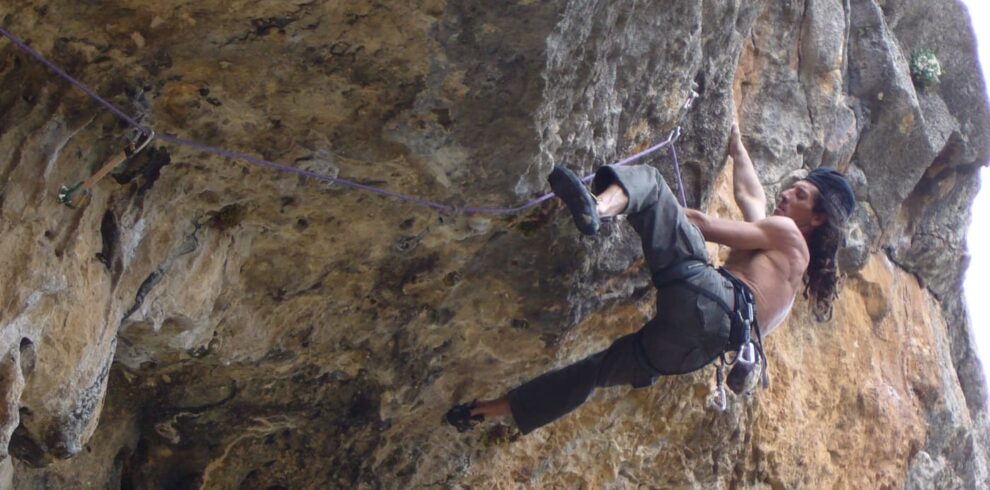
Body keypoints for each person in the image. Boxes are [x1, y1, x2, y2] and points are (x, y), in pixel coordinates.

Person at [444, 122, 856, 434]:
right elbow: (753, 197)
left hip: (708, 301)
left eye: (799, 195)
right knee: (594, 372)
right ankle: (485, 411)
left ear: (817, 219)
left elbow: (706, 226)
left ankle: (597, 207)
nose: (787, 194)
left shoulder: (785, 234)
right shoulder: (787, 263)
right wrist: (737, 146)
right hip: (693, 354)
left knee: (654, 187)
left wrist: (679, 216)